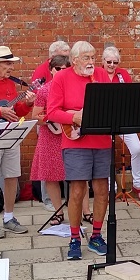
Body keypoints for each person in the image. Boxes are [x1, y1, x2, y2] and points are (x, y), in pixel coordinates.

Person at [46, 41, 113, 260]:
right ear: (74, 60)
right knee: (77, 190)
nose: (92, 62)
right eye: (87, 58)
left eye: (93, 57)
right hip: (75, 142)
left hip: (101, 140)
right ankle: (74, 238)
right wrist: (73, 117)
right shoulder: (61, 78)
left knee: (102, 189)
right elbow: (52, 112)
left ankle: (96, 235)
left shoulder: (102, 75)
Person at [0, 46, 34, 238]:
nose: (11, 67)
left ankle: (9, 217)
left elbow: (16, 110)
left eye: (11, 63)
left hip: (10, 132)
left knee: (12, 175)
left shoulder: (11, 83)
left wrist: (27, 103)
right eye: (7, 63)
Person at [97, 46, 140, 201]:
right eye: (109, 62)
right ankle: (112, 189)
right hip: (103, 118)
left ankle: (138, 185)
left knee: (137, 149)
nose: (112, 65)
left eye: (115, 62)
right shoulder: (97, 74)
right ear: (103, 61)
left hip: (122, 117)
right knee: (107, 152)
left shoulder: (123, 74)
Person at [30, 54, 70, 224]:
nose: (61, 72)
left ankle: (85, 211)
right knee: (51, 175)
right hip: (50, 134)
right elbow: (35, 116)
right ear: (51, 70)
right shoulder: (44, 90)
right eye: (58, 69)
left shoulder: (72, 88)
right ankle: (58, 211)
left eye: (65, 69)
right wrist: (51, 118)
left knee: (78, 176)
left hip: (70, 134)